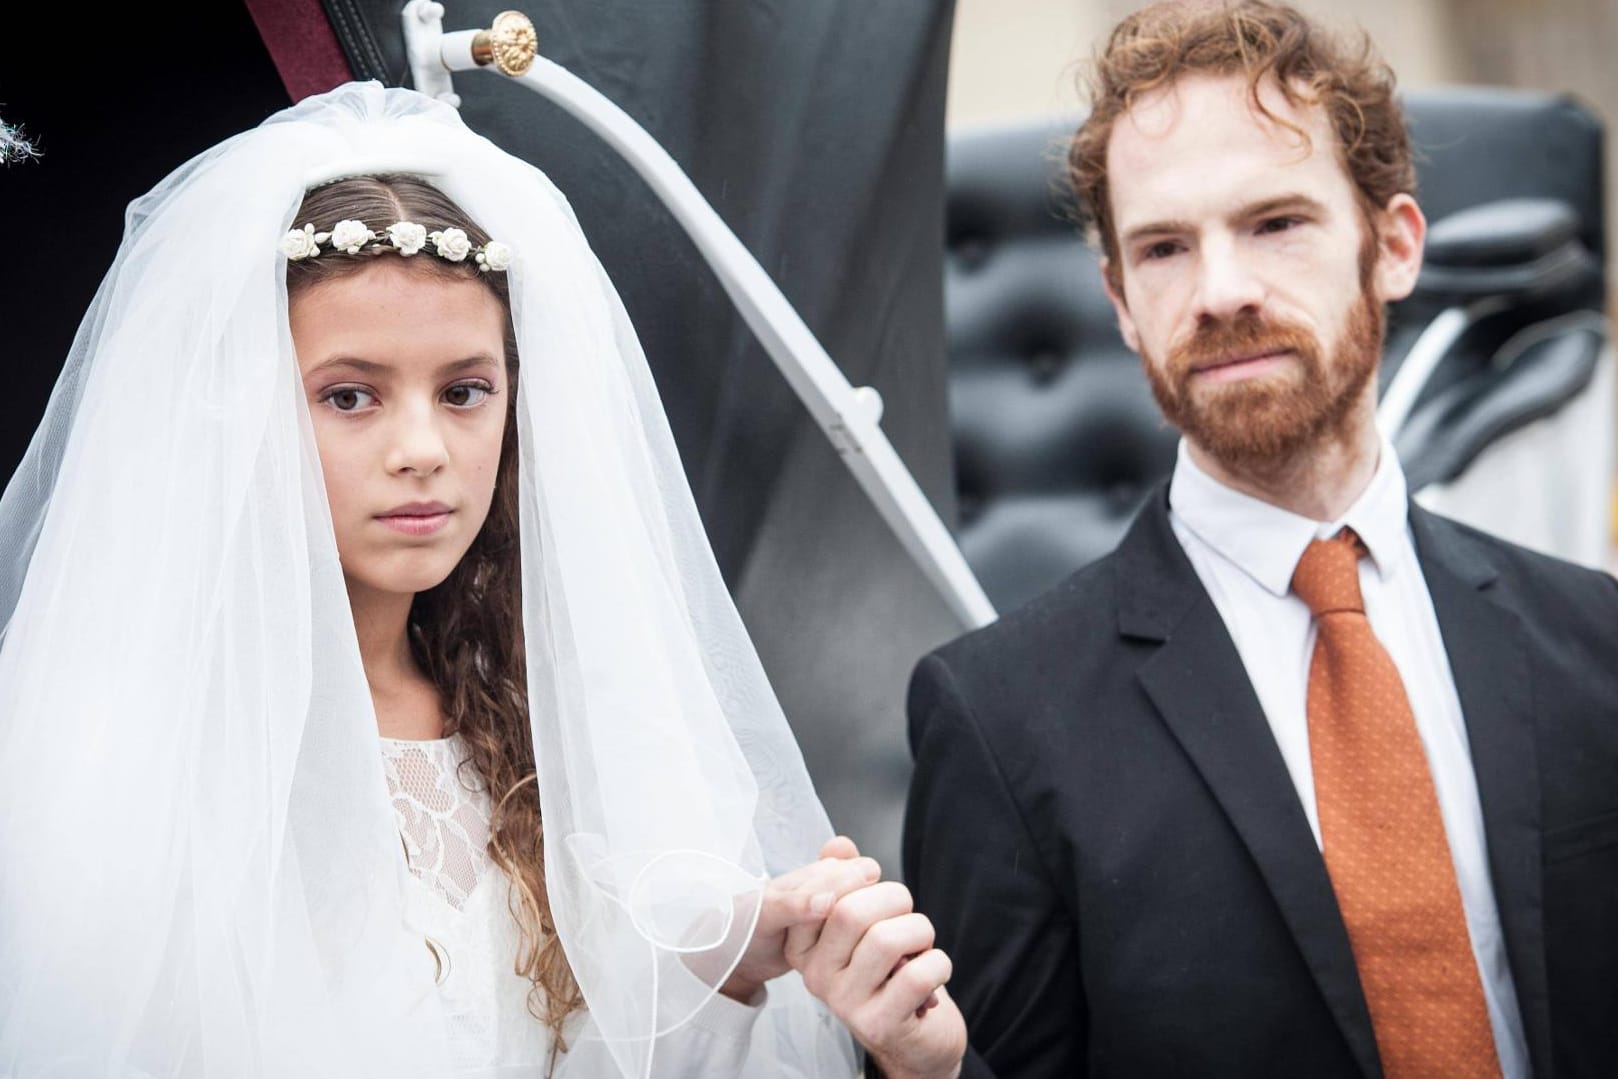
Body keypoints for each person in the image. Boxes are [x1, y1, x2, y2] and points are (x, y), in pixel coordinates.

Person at [0, 82, 965, 1079]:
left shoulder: (526, 723)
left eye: (464, 390)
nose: (421, 449)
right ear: (236, 410)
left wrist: (722, 977)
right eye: (349, 396)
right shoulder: (126, 759)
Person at [903, 3, 1618, 1077]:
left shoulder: (1596, 640)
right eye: (1163, 248)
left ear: (1393, 246)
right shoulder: (998, 724)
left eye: (1275, 222)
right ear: (1120, 304)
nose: (1220, 290)